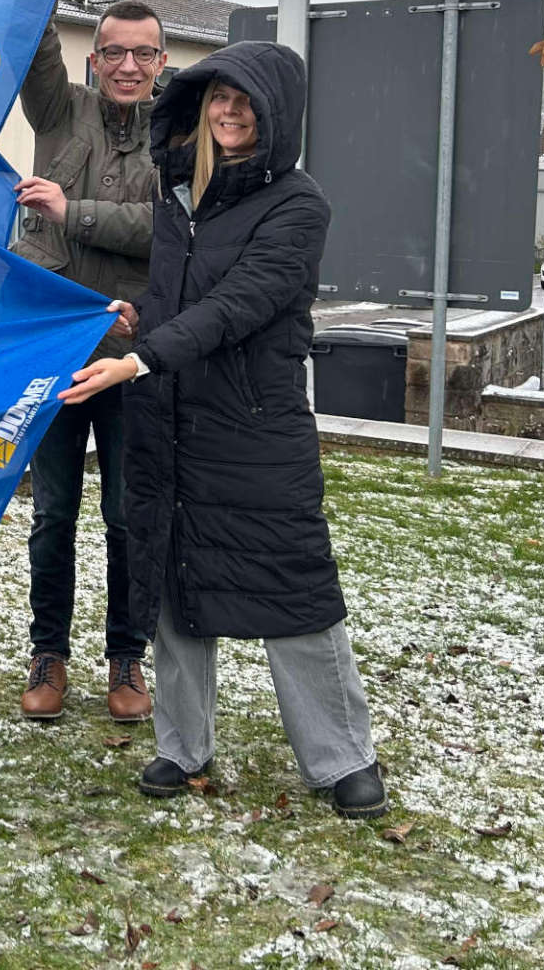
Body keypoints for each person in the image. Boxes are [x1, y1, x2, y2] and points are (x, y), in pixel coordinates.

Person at [61, 41, 388, 819]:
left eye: (245, 99)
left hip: (253, 425)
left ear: (275, 114)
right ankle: (181, 745)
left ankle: (343, 758)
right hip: (168, 419)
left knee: (292, 586)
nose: (230, 109)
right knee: (171, 584)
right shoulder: (181, 197)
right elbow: (183, 299)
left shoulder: (299, 205)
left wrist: (141, 360)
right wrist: (143, 315)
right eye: (218, 96)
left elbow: (242, 303)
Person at [9, 0, 163, 723]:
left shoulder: (179, 134)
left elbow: (167, 233)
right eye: (115, 53)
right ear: (93, 59)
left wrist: (73, 212)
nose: (128, 66)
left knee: (129, 516)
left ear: (163, 64)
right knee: (53, 514)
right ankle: (49, 653)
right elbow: (32, 18)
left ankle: (126, 657)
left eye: (144, 54)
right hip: (57, 350)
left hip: (133, 356)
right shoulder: (56, 110)